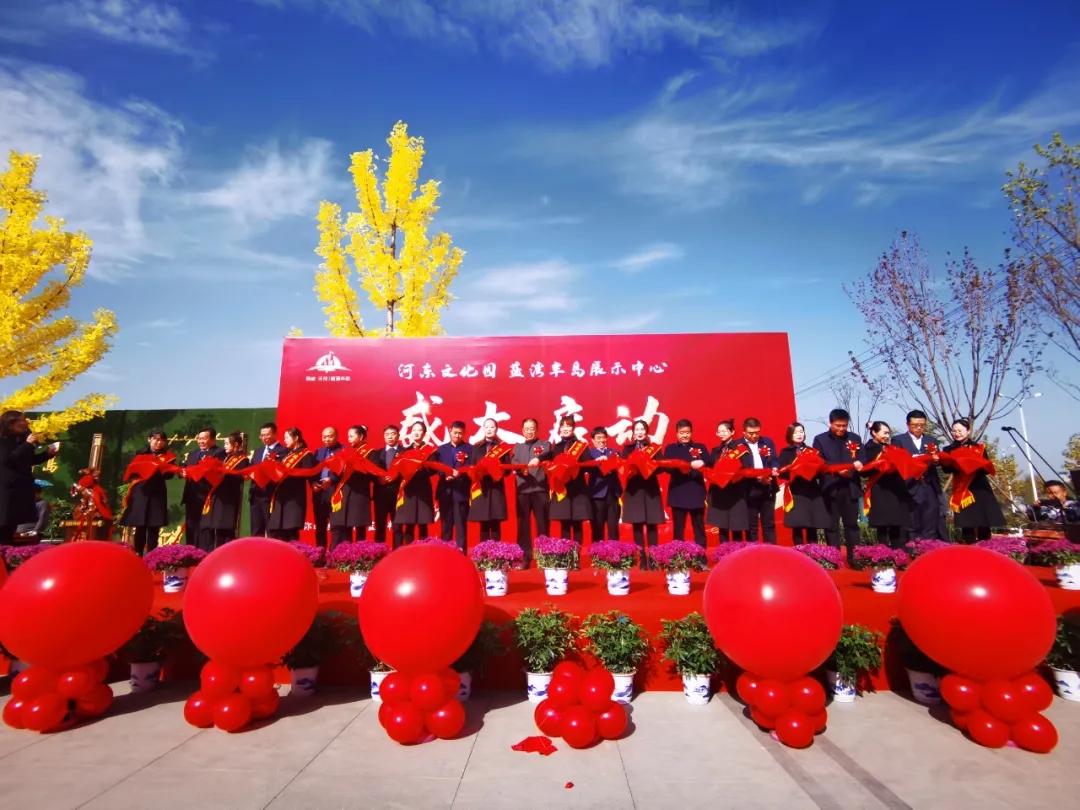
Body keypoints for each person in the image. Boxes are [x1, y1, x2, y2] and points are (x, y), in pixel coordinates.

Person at [938, 418, 1006, 543]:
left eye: (960, 431)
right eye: (954, 431)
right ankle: (969, 547)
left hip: (979, 487)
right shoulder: (948, 449)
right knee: (966, 521)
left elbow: (986, 468)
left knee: (983, 521)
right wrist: (956, 465)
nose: (957, 433)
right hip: (962, 488)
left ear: (968, 431)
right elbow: (946, 470)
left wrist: (973, 465)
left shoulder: (979, 447)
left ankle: (986, 548)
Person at [812, 409, 866, 562]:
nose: (841, 429)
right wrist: (837, 469)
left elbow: (863, 458)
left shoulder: (854, 438)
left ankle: (855, 558)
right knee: (832, 526)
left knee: (852, 525)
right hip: (831, 487)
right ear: (831, 423)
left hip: (850, 487)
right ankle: (833, 559)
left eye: (844, 426)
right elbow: (819, 461)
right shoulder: (820, 440)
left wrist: (857, 465)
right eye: (838, 425)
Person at [0, 410, 58, 546]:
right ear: (9, 424)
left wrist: (47, 454)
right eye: (19, 421)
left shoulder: (20, 440)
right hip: (6, 490)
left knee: (11, 526)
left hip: (20, 487)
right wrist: (27, 444)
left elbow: (26, 461)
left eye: (24, 420)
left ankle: (7, 553)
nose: (24, 423)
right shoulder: (2, 441)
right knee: (3, 525)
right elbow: (9, 460)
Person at [892, 409, 948, 541]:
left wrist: (937, 461)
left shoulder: (931, 440)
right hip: (910, 485)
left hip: (928, 484)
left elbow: (937, 460)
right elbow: (896, 461)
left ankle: (929, 545)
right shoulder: (898, 440)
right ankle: (913, 547)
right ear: (908, 424)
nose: (919, 428)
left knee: (931, 516)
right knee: (912, 520)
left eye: (922, 425)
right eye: (915, 425)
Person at [120, 428, 174, 556]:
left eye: (161, 440)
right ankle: (138, 553)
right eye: (156, 439)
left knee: (154, 525)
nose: (158, 442)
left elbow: (170, 475)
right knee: (140, 524)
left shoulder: (168, 456)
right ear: (149, 439)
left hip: (157, 494)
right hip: (141, 492)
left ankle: (152, 555)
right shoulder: (140, 454)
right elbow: (132, 472)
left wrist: (162, 469)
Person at [620, 419, 665, 569]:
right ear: (633, 432)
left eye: (642, 429)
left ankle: (653, 558)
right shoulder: (628, 449)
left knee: (652, 524)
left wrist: (649, 465)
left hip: (650, 488)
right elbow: (623, 466)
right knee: (637, 524)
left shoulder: (654, 448)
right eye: (637, 429)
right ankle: (642, 559)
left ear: (646, 432)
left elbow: (661, 468)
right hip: (634, 489)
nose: (639, 432)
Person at [863, 421, 914, 549]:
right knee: (882, 524)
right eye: (884, 433)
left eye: (888, 433)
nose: (887, 436)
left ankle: (897, 552)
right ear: (874, 432)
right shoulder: (867, 448)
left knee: (895, 522)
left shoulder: (891, 448)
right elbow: (864, 470)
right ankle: (884, 552)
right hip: (879, 488)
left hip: (895, 489)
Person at [776, 422, 829, 545]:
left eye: (801, 431)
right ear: (790, 435)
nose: (799, 434)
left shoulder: (812, 451)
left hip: (811, 489)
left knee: (812, 523)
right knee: (797, 523)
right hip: (795, 490)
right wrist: (795, 472)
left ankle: (813, 550)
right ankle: (799, 550)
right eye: (795, 432)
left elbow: (821, 469)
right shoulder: (785, 452)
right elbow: (781, 472)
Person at [663, 419, 710, 546]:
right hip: (678, 492)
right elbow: (666, 467)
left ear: (691, 432)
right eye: (682, 432)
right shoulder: (670, 448)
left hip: (696, 492)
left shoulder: (699, 447)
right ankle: (678, 555)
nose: (685, 435)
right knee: (678, 529)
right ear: (677, 433)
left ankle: (701, 554)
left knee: (699, 527)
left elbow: (711, 461)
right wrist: (680, 467)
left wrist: (702, 462)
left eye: (687, 432)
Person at [547, 416, 592, 543]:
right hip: (562, 489)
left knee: (578, 524)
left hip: (578, 488)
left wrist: (572, 467)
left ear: (573, 428)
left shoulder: (581, 446)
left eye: (568, 426)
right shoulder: (556, 447)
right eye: (562, 426)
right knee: (564, 524)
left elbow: (587, 465)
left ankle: (577, 554)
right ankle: (566, 553)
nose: (565, 429)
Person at [181, 427, 226, 551]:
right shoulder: (193, 453)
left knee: (205, 528)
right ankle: (190, 553)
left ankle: (204, 554)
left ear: (213, 439)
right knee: (191, 526)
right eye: (199, 438)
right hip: (192, 495)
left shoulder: (219, 453)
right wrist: (182, 472)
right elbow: (185, 466)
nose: (201, 441)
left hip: (208, 496)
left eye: (204, 438)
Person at [266, 427, 315, 541]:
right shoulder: (287, 455)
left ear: (296, 438)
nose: (285, 440)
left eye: (287, 438)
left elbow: (309, 473)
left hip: (294, 498)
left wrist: (314, 483)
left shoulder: (306, 454)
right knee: (277, 532)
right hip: (281, 497)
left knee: (290, 532)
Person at [512, 418, 551, 560]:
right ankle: (524, 557)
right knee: (523, 525)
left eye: (532, 428)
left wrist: (538, 459)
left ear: (537, 430)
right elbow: (514, 463)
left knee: (543, 524)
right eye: (526, 429)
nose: (529, 432)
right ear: (522, 431)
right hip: (523, 490)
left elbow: (548, 454)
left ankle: (545, 556)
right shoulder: (518, 447)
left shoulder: (545, 444)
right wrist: (521, 469)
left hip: (540, 490)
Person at [329, 425, 373, 548]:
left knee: (359, 527)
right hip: (345, 492)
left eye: (352, 436)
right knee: (345, 526)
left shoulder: (371, 452)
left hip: (359, 494)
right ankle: (345, 554)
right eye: (348, 437)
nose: (349, 439)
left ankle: (360, 555)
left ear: (361, 436)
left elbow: (373, 472)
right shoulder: (346, 452)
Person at [736, 417, 779, 544]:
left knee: (769, 524)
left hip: (767, 485)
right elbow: (738, 467)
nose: (754, 436)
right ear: (744, 431)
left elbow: (774, 459)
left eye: (757, 432)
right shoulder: (738, 445)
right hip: (749, 488)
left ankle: (771, 551)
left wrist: (774, 467)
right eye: (751, 433)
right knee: (751, 526)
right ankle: (753, 552)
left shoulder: (767, 442)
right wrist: (755, 476)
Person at [468, 418, 512, 541]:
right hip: (482, 487)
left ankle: (496, 550)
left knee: (496, 520)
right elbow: (473, 466)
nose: (489, 429)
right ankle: (483, 550)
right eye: (486, 427)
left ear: (496, 429)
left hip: (496, 486)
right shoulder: (477, 447)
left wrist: (498, 470)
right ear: (483, 429)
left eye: (492, 427)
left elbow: (508, 469)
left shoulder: (503, 447)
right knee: (483, 520)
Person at [394, 421, 437, 544]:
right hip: (408, 489)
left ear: (424, 433)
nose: (416, 433)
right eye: (414, 430)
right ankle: (409, 549)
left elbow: (433, 470)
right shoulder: (404, 450)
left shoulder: (431, 450)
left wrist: (422, 466)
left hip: (423, 488)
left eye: (419, 430)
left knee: (423, 522)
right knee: (409, 522)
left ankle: (423, 549)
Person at [706, 419, 750, 541]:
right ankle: (724, 550)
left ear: (732, 432)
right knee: (722, 526)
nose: (721, 434)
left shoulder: (741, 449)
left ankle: (738, 551)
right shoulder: (716, 451)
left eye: (724, 431)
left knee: (736, 526)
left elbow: (746, 468)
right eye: (719, 431)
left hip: (736, 491)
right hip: (720, 491)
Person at [206, 431, 250, 548]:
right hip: (219, 496)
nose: (224, 446)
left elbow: (240, 477)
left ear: (235, 444)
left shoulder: (242, 459)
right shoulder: (226, 458)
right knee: (218, 527)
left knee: (227, 528)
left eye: (226, 443)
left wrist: (225, 474)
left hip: (229, 498)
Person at [435, 421, 472, 551]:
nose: (457, 435)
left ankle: (461, 551)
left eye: (460, 433)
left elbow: (471, 466)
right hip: (445, 491)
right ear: (450, 431)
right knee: (446, 524)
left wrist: (459, 474)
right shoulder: (441, 449)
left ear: (464, 433)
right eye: (455, 432)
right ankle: (445, 552)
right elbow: (436, 467)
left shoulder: (469, 449)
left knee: (461, 524)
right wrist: (445, 474)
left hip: (461, 491)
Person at [369, 426, 405, 548]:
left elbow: (408, 471)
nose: (390, 437)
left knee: (398, 527)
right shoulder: (376, 453)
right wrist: (377, 479)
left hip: (398, 494)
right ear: (384, 437)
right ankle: (379, 553)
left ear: (398, 436)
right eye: (387, 434)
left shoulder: (404, 452)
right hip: (381, 494)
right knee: (380, 526)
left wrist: (397, 476)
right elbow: (370, 471)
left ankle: (398, 553)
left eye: (393, 434)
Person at [248, 422, 284, 536]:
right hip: (256, 494)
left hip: (271, 496)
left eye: (267, 435)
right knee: (256, 530)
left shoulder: (283, 451)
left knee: (271, 530)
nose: (264, 437)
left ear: (275, 434)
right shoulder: (258, 451)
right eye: (262, 435)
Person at [311, 427, 344, 548]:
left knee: (336, 528)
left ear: (336, 436)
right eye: (324, 437)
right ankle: (321, 553)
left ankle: (334, 554)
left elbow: (344, 472)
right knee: (320, 526)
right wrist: (313, 483)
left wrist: (332, 480)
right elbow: (313, 471)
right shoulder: (319, 452)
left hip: (336, 493)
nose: (327, 439)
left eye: (330, 436)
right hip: (320, 494)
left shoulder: (343, 451)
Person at [588, 426, 622, 542]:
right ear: (593, 440)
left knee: (613, 528)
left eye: (603, 437)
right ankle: (597, 553)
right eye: (598, 438)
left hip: (613, 494)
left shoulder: (615, 452)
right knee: (597, 529)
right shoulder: (589, 454)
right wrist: (597, 461)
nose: (601, 440)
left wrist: (608, 460)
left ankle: (615, 552)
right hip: (596, 495)